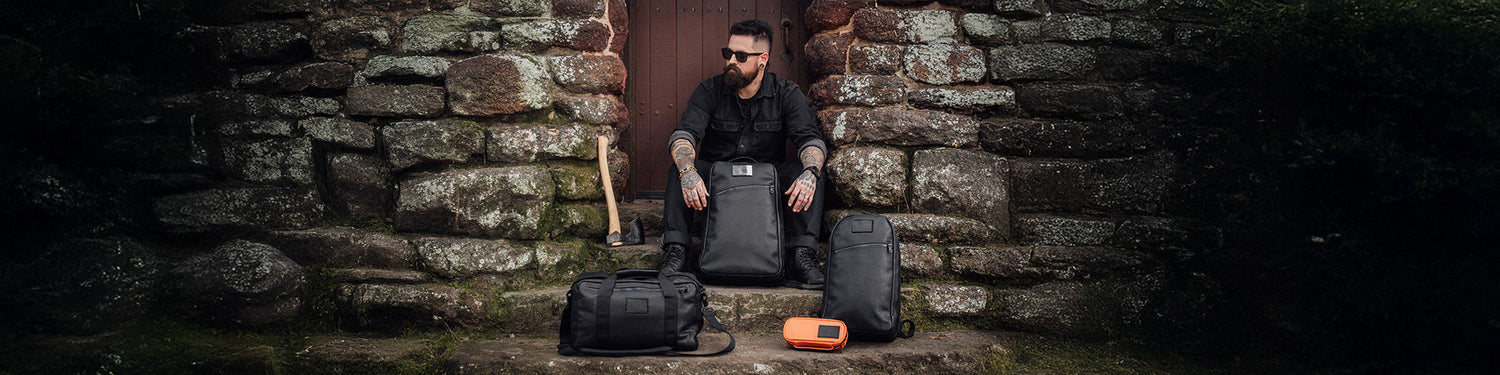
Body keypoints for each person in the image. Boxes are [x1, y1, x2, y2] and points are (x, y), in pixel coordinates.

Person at [658, 19, 828, 290]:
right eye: (728, 54)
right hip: (716, 180)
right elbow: (685, 135)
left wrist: (810, 172)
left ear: (763, 59)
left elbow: (810, 141)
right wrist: (688, 171)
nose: (730, 62)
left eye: (740, 56)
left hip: (768, 184)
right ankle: (676, 252)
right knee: (680, 168)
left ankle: (802, 256)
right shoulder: (709, 90)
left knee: (808, 173)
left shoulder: (786, 93)